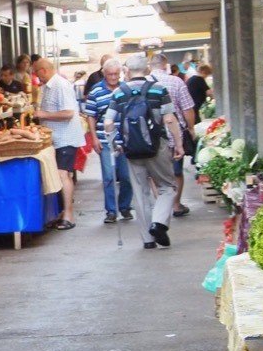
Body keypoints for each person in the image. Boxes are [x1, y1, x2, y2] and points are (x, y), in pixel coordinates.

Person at [104, 54, 184, 249]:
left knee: (140, 192)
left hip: (131, 149)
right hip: (157, 147)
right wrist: (179, 144)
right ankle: (158, 223)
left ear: (127, 71)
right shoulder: (158, 89)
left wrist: (115, 144)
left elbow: (108, 122)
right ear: (147, 69)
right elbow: (170, 119)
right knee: (167, 187)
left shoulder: (119, 93)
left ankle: (147, 240)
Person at [33, 57, 86, 229]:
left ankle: (69, 216)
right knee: (62, 175)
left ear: (44, 70)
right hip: (57, 139)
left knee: (63, 175)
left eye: (36, 72)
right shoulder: (48, 87)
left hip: (65, 138)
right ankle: (63, 212)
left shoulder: (60, 85)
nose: (36, 76)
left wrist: (43, 115)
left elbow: (69, 113)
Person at [83, 59, 134, 224]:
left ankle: (125, 206)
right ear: (104, 74)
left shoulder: (125, 89)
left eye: (116, 74)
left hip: (125, 140)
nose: (113, 77)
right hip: (105, 139)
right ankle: (111, 211)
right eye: (110, 74)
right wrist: (94, 138)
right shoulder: (96, 90)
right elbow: (91, 116)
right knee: (109, 176)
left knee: (126, 176)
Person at [149, 53, 195, 217]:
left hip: (153, 135)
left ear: (150, 66)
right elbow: (187, 108)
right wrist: (191, 128)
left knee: (156, 173)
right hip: (176, 133)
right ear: (165, 65)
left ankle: (161, 203)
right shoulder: (176, 81)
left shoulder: (145, 83)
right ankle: (175, 204)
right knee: (176, 171)